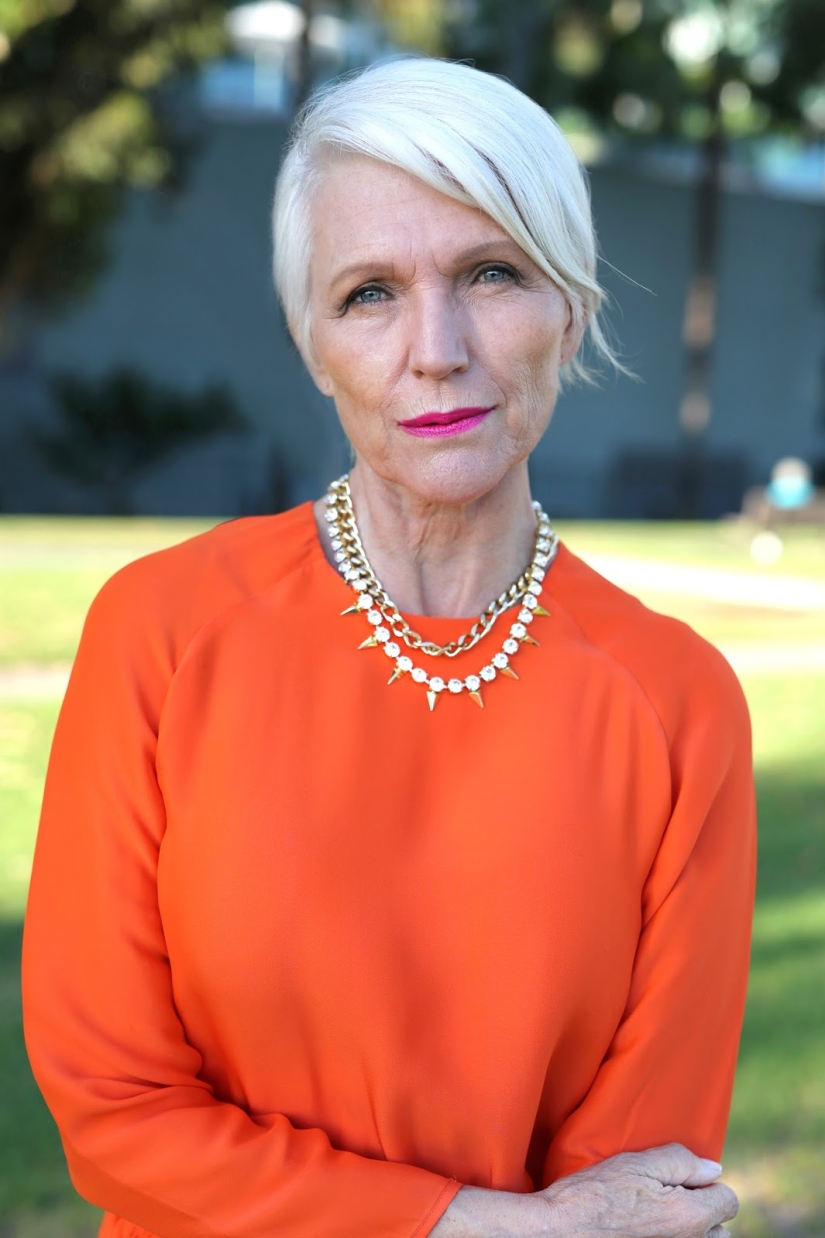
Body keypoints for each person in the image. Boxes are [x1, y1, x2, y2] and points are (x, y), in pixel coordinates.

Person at [22, 57, 755, 1238]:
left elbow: (638, 1187)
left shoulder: (678, 702)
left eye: (492, 273)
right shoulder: (161, 632)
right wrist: (476, 1222)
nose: (437, 347)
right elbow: (115, 1108)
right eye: (370, 293)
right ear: (314, 344)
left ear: (572, 308)